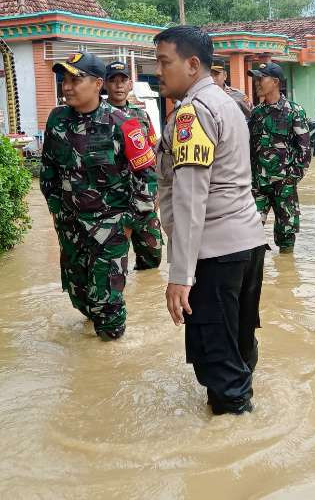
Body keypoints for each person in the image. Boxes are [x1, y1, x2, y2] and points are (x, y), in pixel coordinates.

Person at [154, 25, 267, 416]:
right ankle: (245, 417)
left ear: (192, 64)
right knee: (240, 346)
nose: (158, 71)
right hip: (247, 243)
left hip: (215, 254)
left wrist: (180, 274)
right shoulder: (227, 104)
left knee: (219, 360)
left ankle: (235, 447)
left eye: (164, 62)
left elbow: (189, 197)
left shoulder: (193, 114)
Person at [39, 52, 158, 341]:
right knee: (79, 296)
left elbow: (147, 177)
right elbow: (49, 170)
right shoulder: (57, 120)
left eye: (75, 79)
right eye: (64, 79)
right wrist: (57, 211)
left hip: (111, 229)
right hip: (71, 228)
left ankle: (112, 363)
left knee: (107, 305)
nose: (67, 86)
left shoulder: (123, 123)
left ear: (97, 84)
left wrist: (130, 223)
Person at [247, 61, 313, 253]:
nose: (257, 82)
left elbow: (305, 151)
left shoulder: (294, 111)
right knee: (249, 230)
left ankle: (287, 276)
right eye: (256, 78)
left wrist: (292, 178)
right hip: (258, 184)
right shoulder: (256, 113)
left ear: (275, 81)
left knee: (286, 237)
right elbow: (250, 148)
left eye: (261, 78)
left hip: (284, 184)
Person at [105, 61, 163, 270]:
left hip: (144, 200)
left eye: (123, 80)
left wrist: (156, 191)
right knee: (114, 265)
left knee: (152, 259)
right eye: (113, 80)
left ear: (130, 84)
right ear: (104, 84)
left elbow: (152, 154)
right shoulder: (99, 118)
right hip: (113, 204)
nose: (119, 86)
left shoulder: (142, 116)